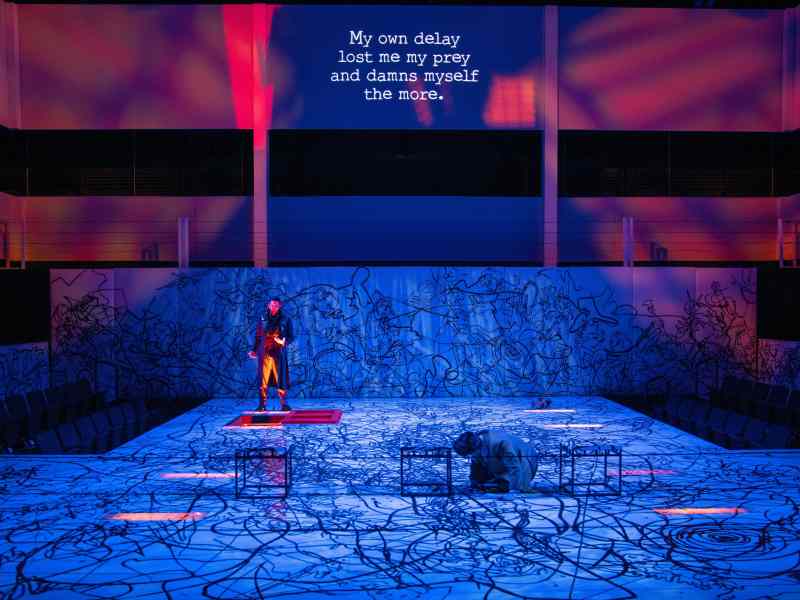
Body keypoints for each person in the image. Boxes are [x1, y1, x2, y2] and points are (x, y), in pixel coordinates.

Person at [453, 429, 538, 493]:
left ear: (473, 449)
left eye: (469, 454)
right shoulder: (476, 443)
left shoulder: (501, 444)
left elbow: (514, 467)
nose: (470, 457)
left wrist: (512, 489)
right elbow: (475, 465)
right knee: (486, 483)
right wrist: (474, 480)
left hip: (525, 460)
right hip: (500, 462)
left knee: (512, 485)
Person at [248, 297, 294, 411]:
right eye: (272, 305)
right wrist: (254, 350)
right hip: (265, 353)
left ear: (280, 306)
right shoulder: (263, 318)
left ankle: (283, 404)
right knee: (263, 379)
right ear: (269, 305)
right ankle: (262, 405)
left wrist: (283, 342)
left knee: (280, 378)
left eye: (276, 305)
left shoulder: (285, 319)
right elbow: (258, 336)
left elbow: (291, 336)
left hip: (278, 353)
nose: (274, 307)